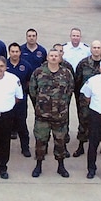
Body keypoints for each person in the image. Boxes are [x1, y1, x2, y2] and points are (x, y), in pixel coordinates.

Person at [30, 44, 74, 178]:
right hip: (42, 115)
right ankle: (38, 165)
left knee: (60, 142)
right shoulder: (38, 72)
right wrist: (39, 105)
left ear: (60, 58)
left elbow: (70, 91)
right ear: (47, 57)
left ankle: (61, 166)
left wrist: (62, 105)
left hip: (60, 116)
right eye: (51, 56)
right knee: (40, 141)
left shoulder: (66, 73)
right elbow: (32, 91)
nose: (54, 58)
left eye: (56, 56)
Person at [73, 40, 101, 157]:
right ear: (91, 49)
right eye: (94, 47)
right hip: (85, 100)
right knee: (84, 122)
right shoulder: (83, 64)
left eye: (98, 47)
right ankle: (81, 146)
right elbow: (77, 82)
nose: (96, 49)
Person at [5, 41, 34, 157]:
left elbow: (29, 81)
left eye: (17, 51)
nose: (15, 54)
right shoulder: (3, 65)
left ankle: (25, 148)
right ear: (9, 52)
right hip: (6, 100)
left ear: (20, 52)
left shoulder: (26, 65)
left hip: (20, 100)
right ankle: (4, 149)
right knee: (5, 126)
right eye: (12, 51)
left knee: (22, 125)